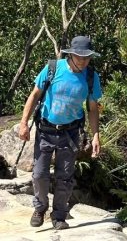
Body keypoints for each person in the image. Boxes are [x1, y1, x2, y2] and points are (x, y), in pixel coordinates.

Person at [19, 35, 102, 231]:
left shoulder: (91, 77)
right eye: (79, 56)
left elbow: (93, 108)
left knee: (65, 177)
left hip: (70, 133)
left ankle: (58, 216)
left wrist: (96, 135)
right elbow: (34, 95)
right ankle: (40, 209)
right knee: (39, 174)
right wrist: (23, 123)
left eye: (87, 57)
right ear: (70, 54)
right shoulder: (52, 69)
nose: (83, 61)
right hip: (46, 129)